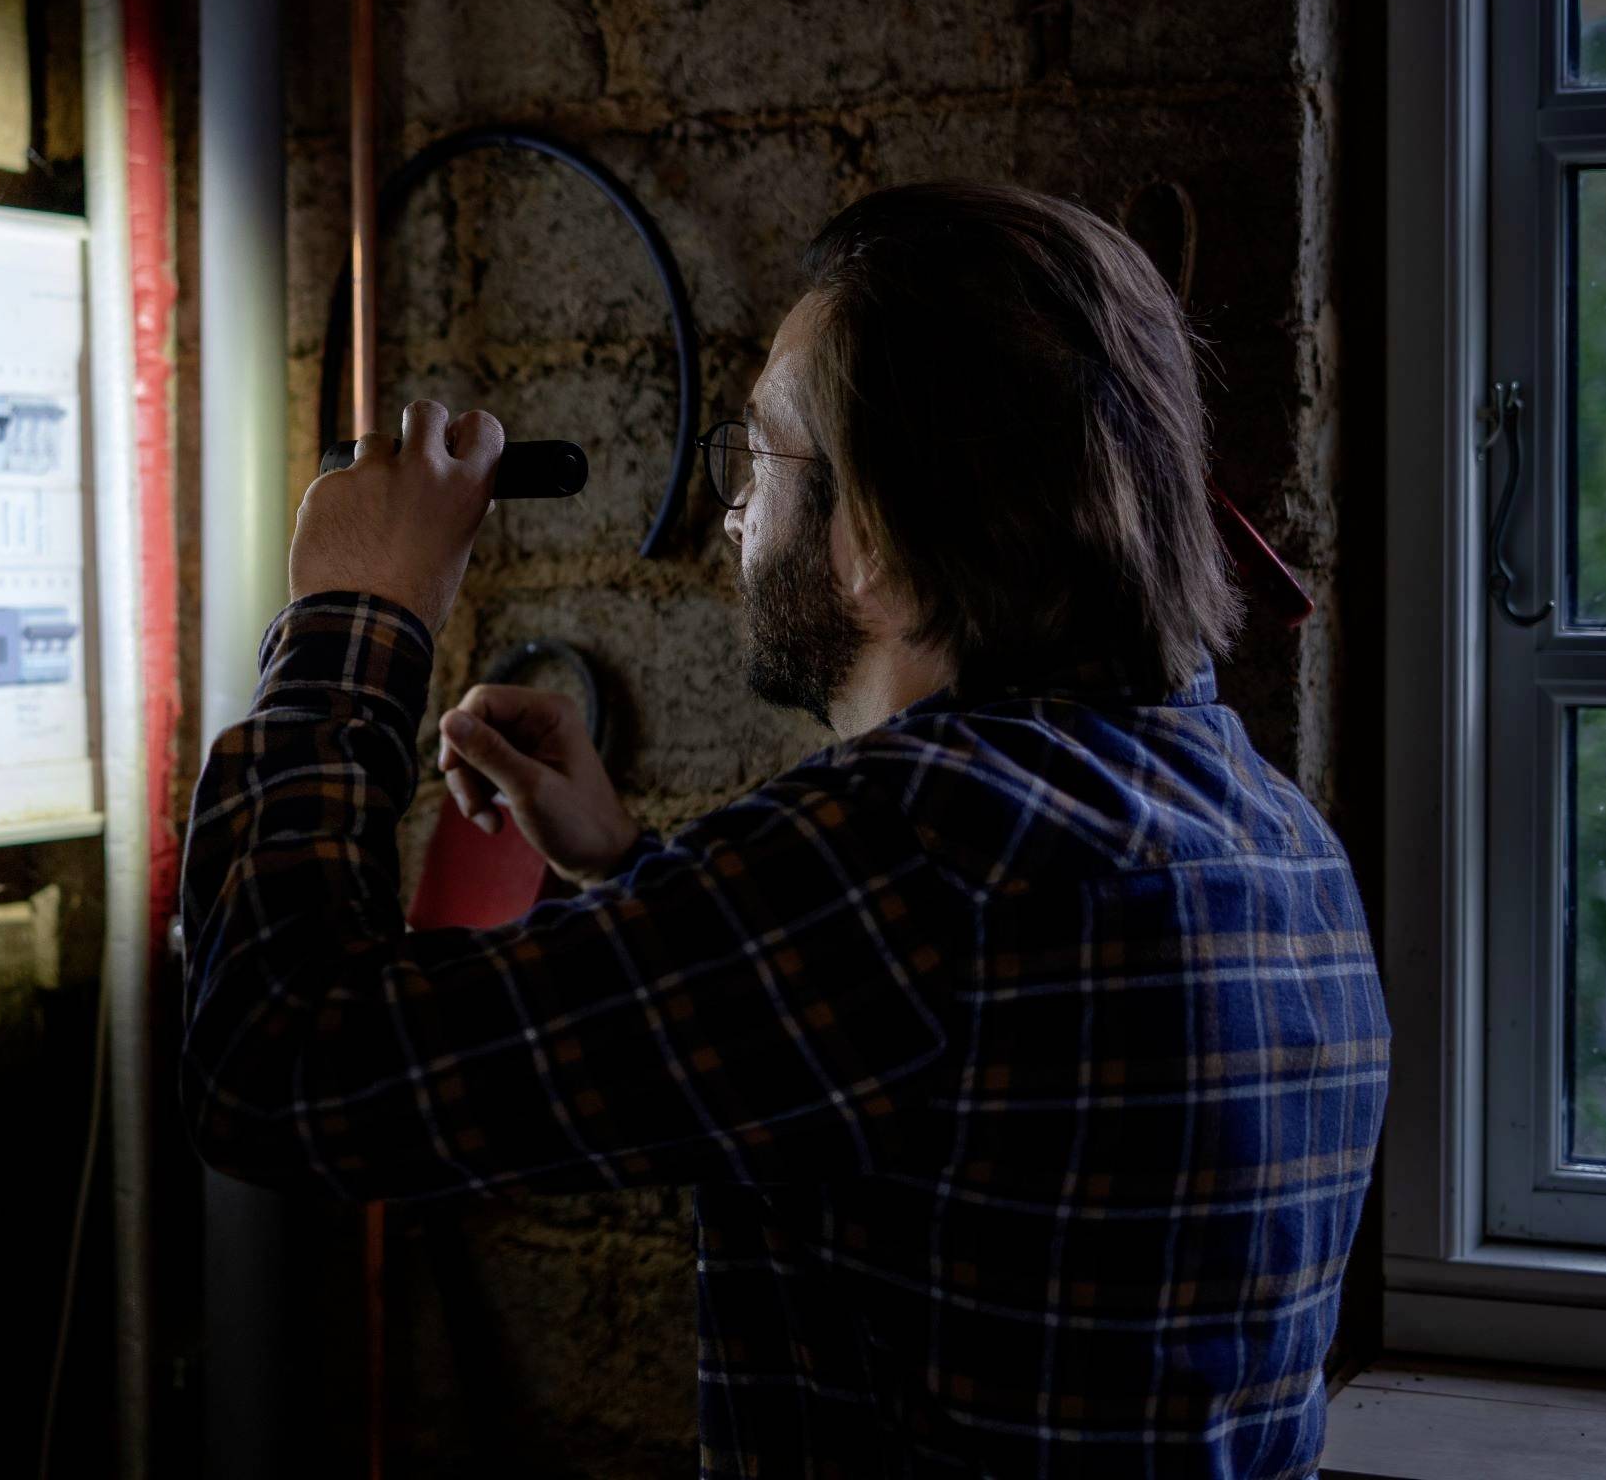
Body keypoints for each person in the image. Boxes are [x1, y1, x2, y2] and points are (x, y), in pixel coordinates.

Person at [178, 181, 1388, 1478]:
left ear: (878, 528)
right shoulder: (1277, 837)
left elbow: (283, 1062)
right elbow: (932, 1083)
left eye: (759, 457)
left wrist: (358, 613)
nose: (733, 514)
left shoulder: (918, 853)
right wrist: (633, 873)